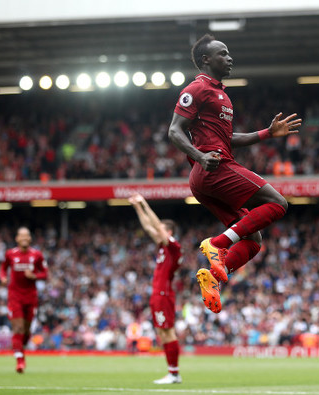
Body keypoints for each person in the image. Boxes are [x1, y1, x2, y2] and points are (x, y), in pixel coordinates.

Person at [168, 34, 302, 314]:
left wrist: (267, 133)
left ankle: (214, 277)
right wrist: (200, 156)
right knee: (278, 203)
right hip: (214, 168)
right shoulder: (198, 88)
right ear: (206, 59)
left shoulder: (221, 95)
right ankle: (217, 244)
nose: (230, 58)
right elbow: (174, 130)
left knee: (254, 241)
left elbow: (229, 138)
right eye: (223, 54)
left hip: (207, 174)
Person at [129, 194, 182, 384]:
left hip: (163, 294)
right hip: (158, 294)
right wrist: (137, 207)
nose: (157, 233)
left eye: (162, 231)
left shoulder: (174, 246)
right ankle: (173, 372)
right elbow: (148, 227)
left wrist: (144, 203)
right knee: (162, 332)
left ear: (169, 232)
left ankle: (174, 374)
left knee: (168, 332)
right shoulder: (163, 248)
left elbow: (156, 227)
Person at [0, 227, 48, 373]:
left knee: (26, 332)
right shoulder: (10, 254)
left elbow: (45, 273)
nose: (24, 238)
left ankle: (20, 347)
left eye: (27, 236)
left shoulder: (37, 255)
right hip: (15, 295)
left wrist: (35, 276)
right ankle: (20, 361)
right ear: (17, 239)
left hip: (31, 296)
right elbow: (3, 268)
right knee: (18, 327)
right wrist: (3, 278)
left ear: (30, 238)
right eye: (22, 236)